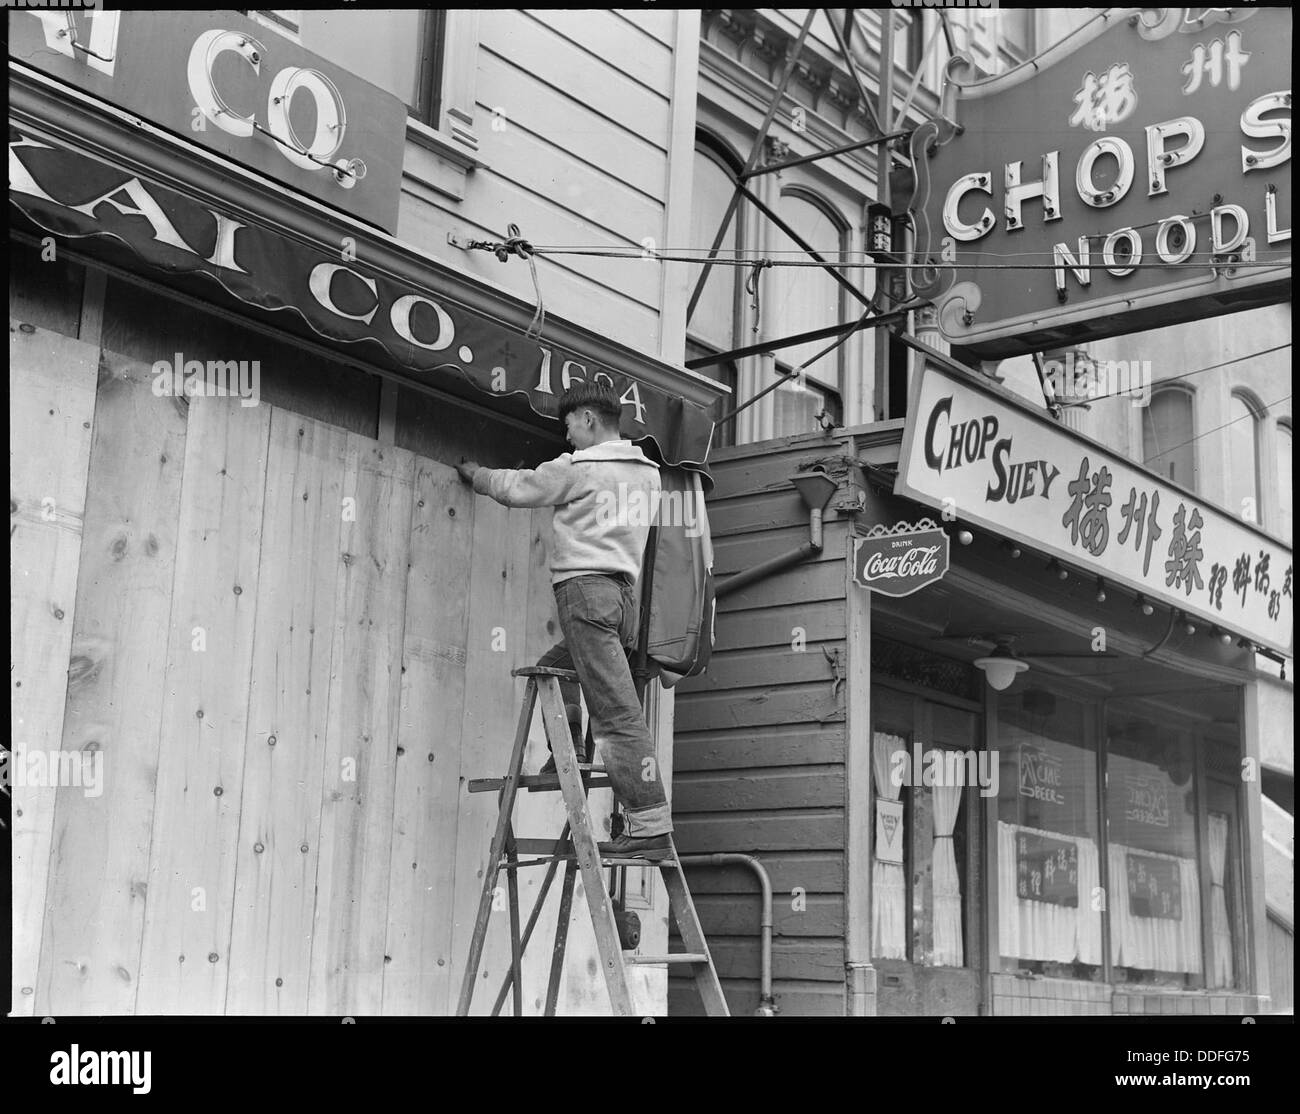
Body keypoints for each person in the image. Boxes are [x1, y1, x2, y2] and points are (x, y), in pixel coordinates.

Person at [456, 383, 671, 860]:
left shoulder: (581, 468)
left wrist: (477, 477)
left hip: (585, 594)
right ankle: (567, 751)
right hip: (621, 598)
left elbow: (519, 488)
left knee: (616, 713)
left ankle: (649, 824)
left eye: (570, 424)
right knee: (554, 668)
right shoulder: (648, 475)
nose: (567, 435)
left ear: (591, 419)